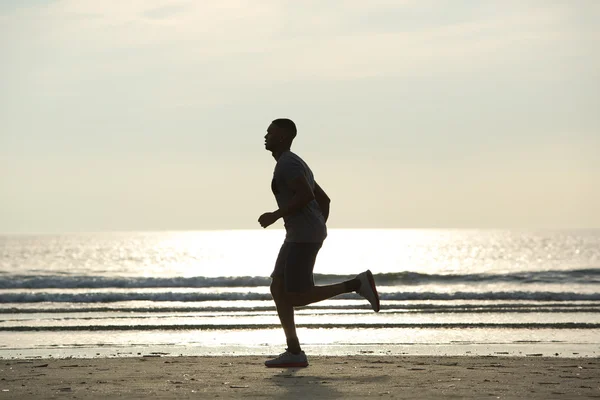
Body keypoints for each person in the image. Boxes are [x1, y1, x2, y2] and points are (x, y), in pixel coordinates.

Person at [258, 118, 380, 368]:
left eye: (270, 132)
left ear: (283, 136)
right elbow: (324, 200)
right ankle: (294, 352)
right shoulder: (291, 162)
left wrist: (277, 215)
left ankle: (356, 283)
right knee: (278, 288)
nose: (265, 135)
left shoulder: (288, 164)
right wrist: (315, 224)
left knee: (296, 295)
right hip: (300, 233)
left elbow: (306, 195)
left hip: (302, 234)